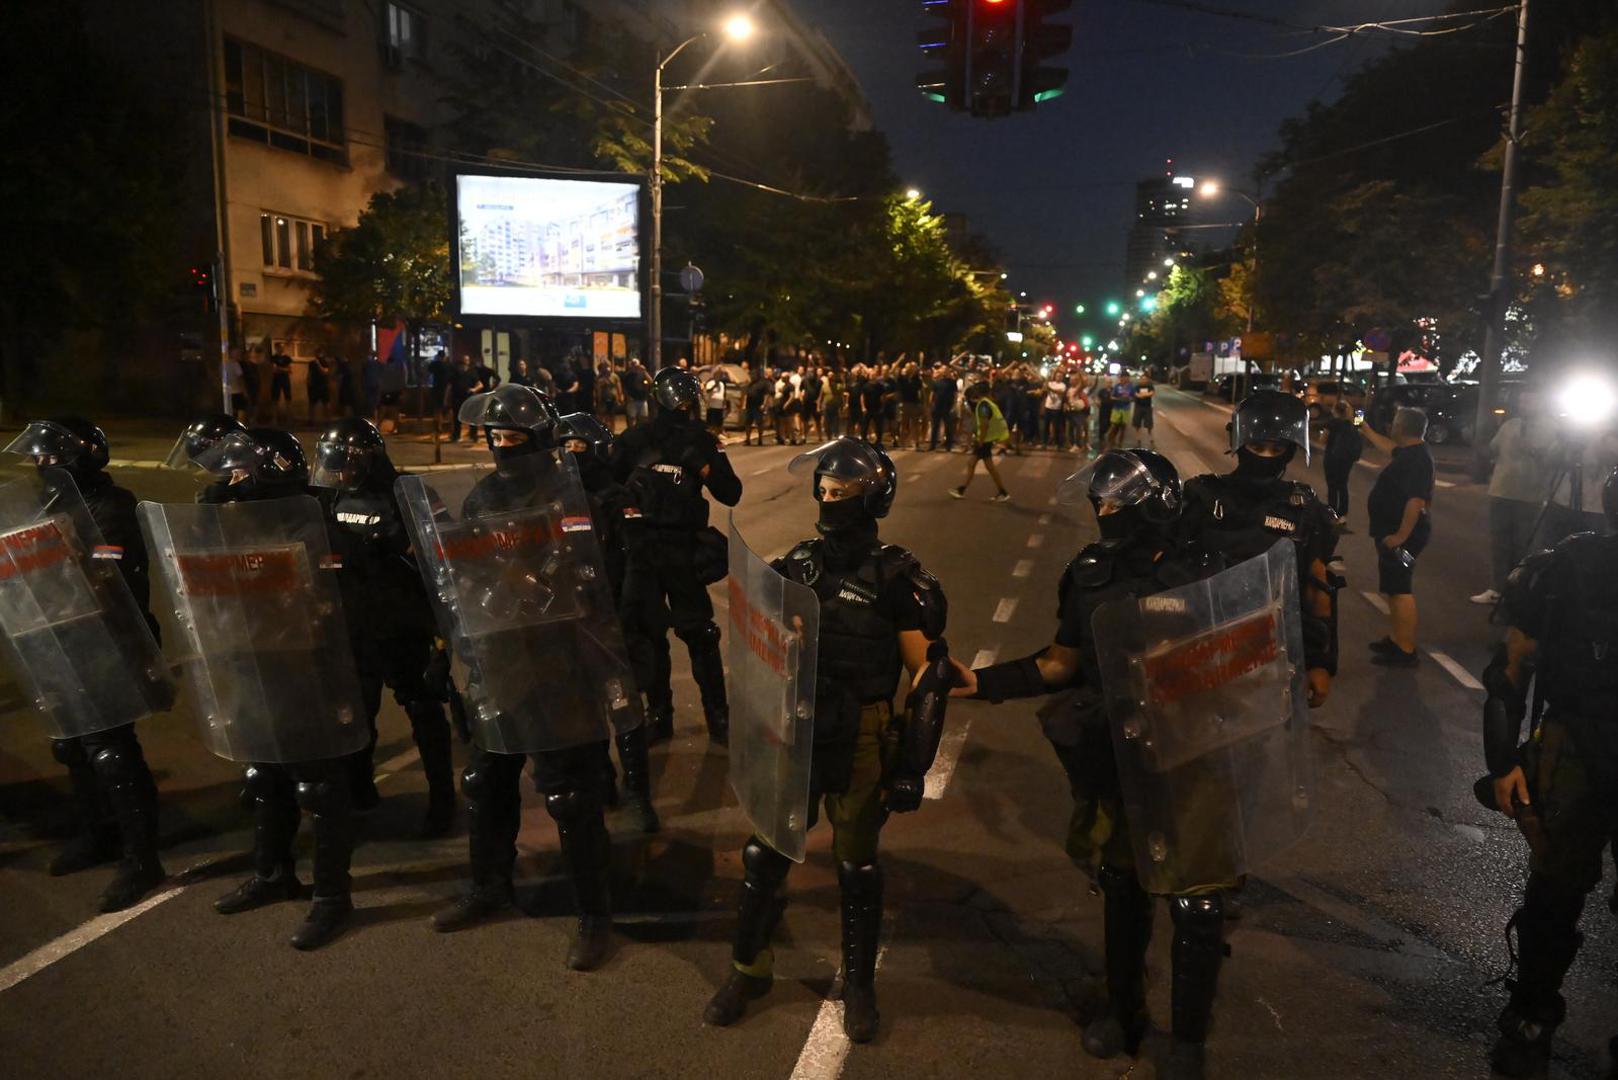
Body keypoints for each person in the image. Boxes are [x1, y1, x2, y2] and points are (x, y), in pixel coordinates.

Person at [954, 449, 1242, 1079]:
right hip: (1119, 755)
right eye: (1100, 500)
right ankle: (1122, 1008)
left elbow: (1244, 663)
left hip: (1190, 756)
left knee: (1197, 906)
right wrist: (981, 683)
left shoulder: (1207, 570)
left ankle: (1187, 1041)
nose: (1105, 511)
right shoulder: (1090, 574)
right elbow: (1061, 664)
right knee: (1122, 887)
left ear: (1154, 505)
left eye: (1117, 501)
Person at [704, 437, 954, 1043]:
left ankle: (859, 986)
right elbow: (761, 635)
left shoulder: (898, 578)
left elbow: (928, 675)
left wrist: (912, 765)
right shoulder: (800, 564)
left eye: (841, 491)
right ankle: (748, 969)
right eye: (823, 488)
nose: (827, 498)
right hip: (798, 724)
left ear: (873, 499)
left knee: (857, 865)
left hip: (862, 732)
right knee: (766, 853)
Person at [423, 387, 621, 971]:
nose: (502, 448)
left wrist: (544, 582)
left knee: (570, 794)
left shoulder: (570, 496)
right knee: (485, 779)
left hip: (562, 661)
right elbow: (466, 564)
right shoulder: (484, 495)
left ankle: (594, 913)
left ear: (538, 440)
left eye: (512, 438)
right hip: (504, 656)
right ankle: (489, 885)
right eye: (495, 438)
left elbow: (591, 573)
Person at [183, 427, 363, 950]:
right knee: (265, 774)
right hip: (252, 664)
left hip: (305, 670)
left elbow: (335, 603)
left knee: (319, 786)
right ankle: (272, 874)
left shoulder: (313, 524)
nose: (231, 480)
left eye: (240, 471)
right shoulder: (234, 521)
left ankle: (332, 897)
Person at [1478, 464, 1618, 1079]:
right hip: (1575, 748)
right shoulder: (1565, 567)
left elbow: (1511, 670)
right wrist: (1504, 763)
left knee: (1556, 893)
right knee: (1556, 893)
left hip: (1575, 751)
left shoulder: (1560, 564)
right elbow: (1512, 668)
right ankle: (1530, 1015)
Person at [2, 417, 167, 913]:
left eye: (50, 457)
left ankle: (142, 858)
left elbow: (108, 575)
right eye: (38, 457)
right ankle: (99, 832)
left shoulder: (111, 505)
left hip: (108, 643)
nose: (40, 465)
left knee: (110, 748)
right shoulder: (47, 504)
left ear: (79, 459)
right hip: (57, 639)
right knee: (71, 743)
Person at [309, 418, 456, 838]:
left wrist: (401, 541)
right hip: (354, 622)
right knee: (356, 712)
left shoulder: (406, 492)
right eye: (335, 466)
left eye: (347, 465)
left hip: (403, 621)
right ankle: (360, 790)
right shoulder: (330, 496)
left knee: (423, 709)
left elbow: (443, 550)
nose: (341, 473)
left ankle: (442, 798)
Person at [1178, 390, 1339, 705]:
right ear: (1239, 443)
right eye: (1257, 447)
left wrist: (1320, 662)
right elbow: (1166, 579)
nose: (1266, 456)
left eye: (1276, 448)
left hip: (1272, 654)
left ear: (1289, 451)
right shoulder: (1202, 497)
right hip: (1200, 647)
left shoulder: (1303, 508)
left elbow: (1317, 588)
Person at [612, 368, 743, 743]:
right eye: (679, 403)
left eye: (689, 403)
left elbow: (731, 493)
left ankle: (718, 715)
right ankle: (659, 712)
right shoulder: (635, 440)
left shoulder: (701, 440)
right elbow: (608, 484)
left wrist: (702, 465)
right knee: (650, 634)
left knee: (700, 633)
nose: (683, 409)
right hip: (643, 550)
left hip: (684, 549)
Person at [558, 412, 660, 835]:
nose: (571, 454)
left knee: (623, 705)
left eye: (579, 446)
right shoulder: (555, 499)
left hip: (612, 615)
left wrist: (624, 614)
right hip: (572, 616)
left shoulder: (618, 499)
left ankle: (638, 794)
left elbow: (638, 560)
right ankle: (601, 778)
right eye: (565, 446)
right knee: (584, 707)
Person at [1360, 407, 1434, 667]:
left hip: (1402, 535)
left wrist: (1401, 536)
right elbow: (1388, 447)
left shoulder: (1417, 459)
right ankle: (1397, 638)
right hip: (1393, 531)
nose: (1390, 426)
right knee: (1393, 587)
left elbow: (1416, 500)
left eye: (1393, 422)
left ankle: (1405, 649)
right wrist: (1361, 425)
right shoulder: (1412, 452)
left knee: (1400, 588)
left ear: (1400, 427)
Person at [950, 382, 1011, 502]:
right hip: (988, 439)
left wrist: (980, 441)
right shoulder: (987, 403)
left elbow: (984, 424)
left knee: (972, 463)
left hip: (985, 440)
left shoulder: (983, 405)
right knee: (988, 466)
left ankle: (961, 490)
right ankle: (1002, 492)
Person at [1320, 401, 1364, 522]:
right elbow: (1361, 428)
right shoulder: (1354, 423)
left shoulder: (1332, 422)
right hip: (1347, 459)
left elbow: (1322, 440)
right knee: (1342, 485)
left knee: (1332, 486)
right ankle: (1343, 514)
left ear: (1335, 411)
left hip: (1331, 458)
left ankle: (1332, 512)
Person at [449, 353, 486, 444]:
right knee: (457, 418)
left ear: (468, 362)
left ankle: (473, 436)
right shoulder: (455, 372)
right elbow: (449, 386)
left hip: (468, 398)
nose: (465, 362)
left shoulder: (472, 372)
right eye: (463, 360)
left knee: (471, 417)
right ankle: (456, 436)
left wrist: (474, 389)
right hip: (457, 398)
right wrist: (447, 398)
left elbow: (480, 385)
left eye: (466, 360)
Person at [928, 361, 958, 451]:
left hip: (947, 407)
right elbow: (932, 394)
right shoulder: (937, 382)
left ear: (948, 371)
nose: (944, 371)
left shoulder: (952, 382)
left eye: (946, 369)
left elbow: (955, 395)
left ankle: (948, 446)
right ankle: (932, 445)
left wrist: (954, 406)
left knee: (948, 427)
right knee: (935, 427)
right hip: (937, 406)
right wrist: (931, 404)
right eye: (943, 369)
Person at [897, 362, 925, 450]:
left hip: (914, 403)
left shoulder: (917, 379)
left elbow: (920, 390)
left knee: (915, 424)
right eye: (908, 367)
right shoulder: (902, 378)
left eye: (911, 367)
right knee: (904, 424)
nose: (909, 369)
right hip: (905, 403)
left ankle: (916, 443)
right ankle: (903, 443)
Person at [742, 366, 770, 447]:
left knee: (759, 423)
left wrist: (764, 404)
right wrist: (744, 405)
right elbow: (746, 394)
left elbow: (766, 395)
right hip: (749, 406)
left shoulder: (762, 383)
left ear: (757, 375)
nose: (752, 376)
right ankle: (748, 439)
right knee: (748, 423)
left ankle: (760, 439)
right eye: (751, 375)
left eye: (753, 375)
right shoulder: (749, 384)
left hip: (758, 406)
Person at [1041, 370, 1068, 450]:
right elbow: (1044, 389)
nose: (1058, 377)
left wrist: (1050, 388)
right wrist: (1047, 381)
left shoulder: (1063, 385)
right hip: (1048, 407)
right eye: (1057, 376)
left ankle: (1058, 444)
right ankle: (1044, 443)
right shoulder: (1050, 383)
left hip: (1056, 408)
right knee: (1046, 426)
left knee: (1057, 427)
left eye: (1060, 376)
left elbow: (1060, 392)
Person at [622, 359, 652, 427]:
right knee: (632, 418)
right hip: (632, 400)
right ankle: (632, 431)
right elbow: (625, 388)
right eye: (633, 364)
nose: (634, 366)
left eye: (636, 365)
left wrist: (644, 371)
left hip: (642, 399)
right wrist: (627, 397)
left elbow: (651, 382)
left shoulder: (643, 374)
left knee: (644, 418)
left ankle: (641, 431)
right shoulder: (628, 375)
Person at [1131, 374, 1156, 449]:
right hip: (1138, 407)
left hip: (1147, 407)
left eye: (1145, 379)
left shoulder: (1150, 386)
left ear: (1147, 380)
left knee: (1149, 425)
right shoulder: (1137, 387)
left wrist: (1143, 395)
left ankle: (1152, 441)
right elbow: (1137, 395)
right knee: (1137, 425)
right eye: (1142, 379)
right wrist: (1146, 394)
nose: (1144, 380)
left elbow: (1152, 393)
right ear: (1140, 380)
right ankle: (1138, 441)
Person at [703, 367, 730, 436]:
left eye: (720, 375)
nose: (719, 377)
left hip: (720, 407)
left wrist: (724, 404)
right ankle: (710, 437)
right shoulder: (710, 383)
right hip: (712, 407)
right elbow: (708, 391)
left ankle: (717, 436)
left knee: (718, 424)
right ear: (714, 375)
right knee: (711, 424)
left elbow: (723, 394)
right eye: (717, 375)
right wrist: (715, 385)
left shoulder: (722, 384)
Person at [307, 352, 332, 424]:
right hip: (314, 386)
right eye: (317, 353)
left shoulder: (325, 362)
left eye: (320, 353)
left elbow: (324, 372)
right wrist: (308, 382)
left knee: (326, 403)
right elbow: (309, 373)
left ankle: (328, 421)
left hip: (323, 385)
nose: (319, 355)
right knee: (312, 404)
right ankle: (311, 421)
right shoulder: (312, 363)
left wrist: (318, 364)